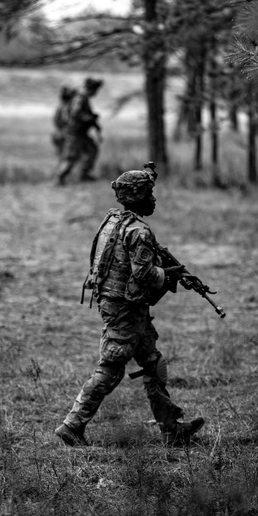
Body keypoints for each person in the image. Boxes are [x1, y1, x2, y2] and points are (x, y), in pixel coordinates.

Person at [54, 163, 206, 447]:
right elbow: (144, 274)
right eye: (150, 194)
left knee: (152, 364)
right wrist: (167, 275)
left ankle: (172, 429)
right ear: (138, 197)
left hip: (123, 305)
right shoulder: (138, 231)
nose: (154, 199)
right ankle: (72, 425)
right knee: (111, 367)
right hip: (124, 308)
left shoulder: (113, 220)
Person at [56, 77, 102, 185]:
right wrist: (89, 118)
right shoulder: (80, 99)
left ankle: (83, 174)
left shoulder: (82, 98)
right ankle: (60, 178)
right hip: (75, 133)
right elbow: (76, 114)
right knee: (71, 156)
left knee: (91, 149)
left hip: (80, 133)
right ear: (92, 89)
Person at [51, 86, 77, 159]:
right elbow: (67, 121)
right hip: (64, 135)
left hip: (59, 134)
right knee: (66, 159)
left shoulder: (61, 107)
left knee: (62, 158)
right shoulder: (65, 108)